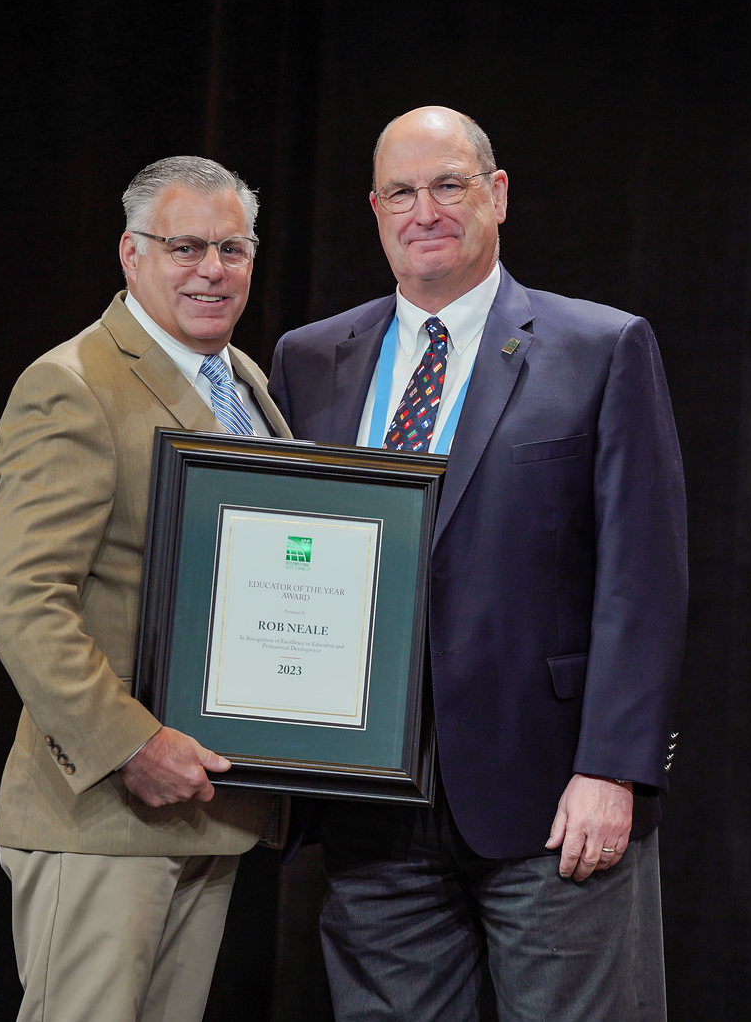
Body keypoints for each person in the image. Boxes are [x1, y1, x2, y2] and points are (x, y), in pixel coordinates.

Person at [267, 107, 688, 1021]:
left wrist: (613, 769)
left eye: (449, 184)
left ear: (497, 195)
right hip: (371, 812)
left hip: (552, 802)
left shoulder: (600, 348)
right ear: (375, 210)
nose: (427, 210)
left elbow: (641, 582)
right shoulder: (309, 360)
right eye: (403, 193)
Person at [0, 156, 290, 1022]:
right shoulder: (73, 385)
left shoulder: (247, 385)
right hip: (103, 814)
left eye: (233, 247)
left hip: (207, 810)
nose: (212, 270)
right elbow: (20, 598)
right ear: (130, 252)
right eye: (184, 246)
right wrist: (129, 746)